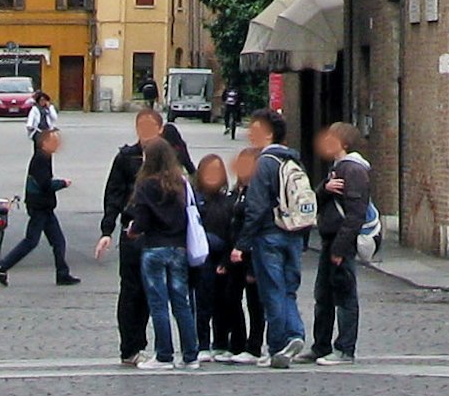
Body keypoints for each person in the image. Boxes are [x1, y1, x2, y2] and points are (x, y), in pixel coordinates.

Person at [102, 104, 194, 364]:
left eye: (150, 128)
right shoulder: (126, 158)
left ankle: (167, 352)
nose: (145, 133)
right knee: (132, 291)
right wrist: (107, 229)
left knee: (162, 296)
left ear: (161, 129)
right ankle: (131, 347)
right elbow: (113, 195)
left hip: (161, 236)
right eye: (141, 128)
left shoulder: (171, 159)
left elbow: (192, 188)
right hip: (137, 234)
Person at [245, 106, 317, 365]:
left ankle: (276, 346)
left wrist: (243, 243)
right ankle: (294, 334)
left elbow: (255, 207)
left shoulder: (264, 163)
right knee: (288, 290)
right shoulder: (293, 160)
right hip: (295, 234)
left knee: (272, 292)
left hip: (269, 235)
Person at [128, 138, 201, 366]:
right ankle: (191, 355)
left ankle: (164, 354)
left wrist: (133, 230)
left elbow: (141, 220)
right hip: (178, 247)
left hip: (154, 248)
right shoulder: (181, 182)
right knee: (182, 303)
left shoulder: (146, 185)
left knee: (158, 303)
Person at [311, 119, 376, 362]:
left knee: (345, 295)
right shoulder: (336, 167)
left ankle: (345, 348)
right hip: (328, 240)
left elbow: (355, 214)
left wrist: (340, 247)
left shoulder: (354, 170)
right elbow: (314, 202)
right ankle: (321, 345)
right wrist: (325, 189)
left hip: (340, 243)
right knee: (323, 296)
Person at [194, 151, 258, 358]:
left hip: (225, 258)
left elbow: (232, 232)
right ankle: (203, 343)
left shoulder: (229, 200)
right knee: (203, 301)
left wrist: (225, 259)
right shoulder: (196, 199)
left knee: (225, 301)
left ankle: (224, 342)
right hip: (201, 257)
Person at [2, 125, 74, 288]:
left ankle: (62, 273)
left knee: (58, 241)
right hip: (39, 206)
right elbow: (44, 184)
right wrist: (61, 183)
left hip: (44, 206)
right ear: (44, 143)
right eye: (54, 140)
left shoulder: (45, 157)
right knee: (31, 241)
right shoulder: (41, 158)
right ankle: (2, 266)